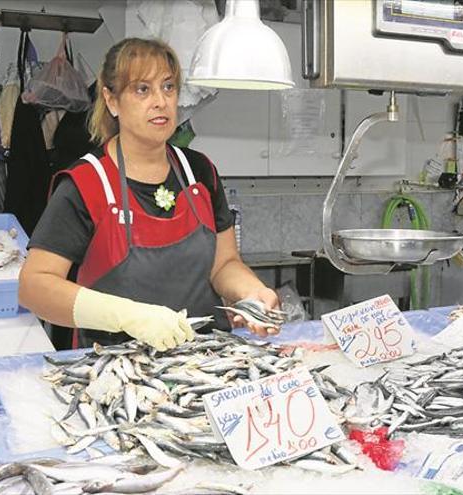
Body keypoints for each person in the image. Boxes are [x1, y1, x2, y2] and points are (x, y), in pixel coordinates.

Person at [19, 38, 280, 351]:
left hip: (206, 359)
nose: (160, 101)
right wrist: (127, 316)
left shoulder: (199, 171)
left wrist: (250, 292)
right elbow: (34, 287)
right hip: (120, 367)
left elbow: (223, 264)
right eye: (142, 89)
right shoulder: (86, 183)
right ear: (111, 100)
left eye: (168, 87)